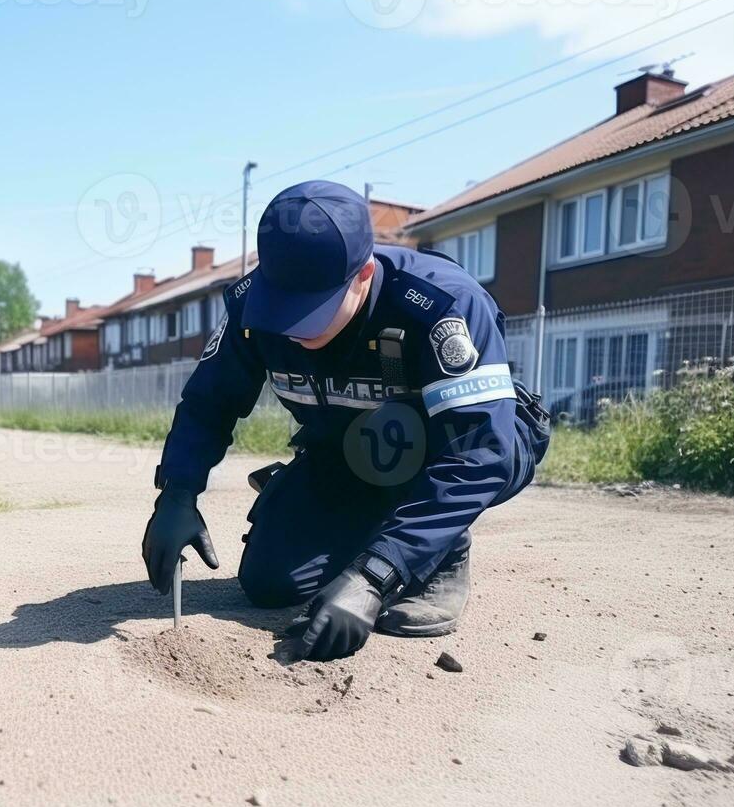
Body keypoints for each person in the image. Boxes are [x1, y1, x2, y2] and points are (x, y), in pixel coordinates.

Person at [142, 181, 550, 662]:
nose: (293, 328)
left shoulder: (440, 305)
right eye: (284, 307)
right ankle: (379, 529)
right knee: (269, 582)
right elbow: (209, 402)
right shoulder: (252, 307)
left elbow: (481, 451)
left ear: (363, 275)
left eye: (312, 309)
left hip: (455, 449)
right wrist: (178, 492)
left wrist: (376, 576)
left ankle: (441, 549)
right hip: (344, 451)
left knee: (464, 460)